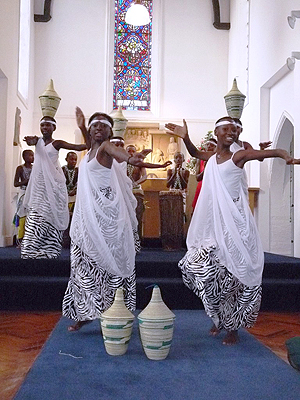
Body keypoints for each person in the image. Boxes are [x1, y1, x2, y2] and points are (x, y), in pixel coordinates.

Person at [165, 116, 297, 345]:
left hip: (235, 224)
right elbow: (196, 153)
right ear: (216, 133)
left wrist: (284, 155)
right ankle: (219, 315)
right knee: (197, 266)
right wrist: (185, 137)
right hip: (214, 224)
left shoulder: (239, 156)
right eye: (226, 129)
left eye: (235, 130)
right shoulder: (213, 157)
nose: (231, 132)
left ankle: (232, 327)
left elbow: (268, 154)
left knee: (234, 274)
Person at [62, 107, 168, 332]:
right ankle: (85, 312)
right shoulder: (90, 151)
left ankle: (116, 313)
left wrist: (131, 158)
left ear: (110, 132)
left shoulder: (106, 148)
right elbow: (89, 143)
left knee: (108, 265)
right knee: (83, 266)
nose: (98, 128)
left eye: (103, 125)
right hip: (86, 219)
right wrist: (82, 125)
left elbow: (117, 153)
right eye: (95, 125)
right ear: (90, 131)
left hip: (105, 219)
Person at [21, 116, 87, 259]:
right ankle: (31, 248)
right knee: (36, 215)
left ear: (53, 128)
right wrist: (31, 141)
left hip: (53, 185)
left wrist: (94, 142)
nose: (45, 128)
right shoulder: (37, 140)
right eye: (42, 125)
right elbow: (32, 140)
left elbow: (77, 147)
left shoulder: (57, 143)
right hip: (39, 185)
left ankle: (49, 247)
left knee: (50, 214)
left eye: (48, 126)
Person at [13, 149, 34, 245]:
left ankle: (30, 238)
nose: (32, 157)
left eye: (33, 156)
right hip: (23, 192)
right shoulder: (20, 168)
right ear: (24, 157)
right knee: (22, 215)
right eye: (30, 155)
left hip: (32, 193)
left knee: (32, 215)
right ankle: (20, 238)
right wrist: (25, 182)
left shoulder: (35, 168)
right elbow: (16, 183)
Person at [192, 138, 217, 210]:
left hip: (213, 189)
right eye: (207, 145)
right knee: (198, 210)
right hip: (201, 187)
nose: (209, 146)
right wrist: (206, 168)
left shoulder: (219, 159)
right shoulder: (200, 159)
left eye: (212, 145)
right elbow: (197, 178)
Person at [62, 152, 79, 248]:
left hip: (75, 197)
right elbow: (59, 183)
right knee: (65, 219)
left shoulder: (78, 170)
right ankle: (64, 239)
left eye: (75, 159)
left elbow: (81, 183)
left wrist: (75, 190)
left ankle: (74, 239)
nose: (73, 161)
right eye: (71, 159)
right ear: (66, 159)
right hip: (64, 198)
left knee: (74, 219)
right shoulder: (62, 170)